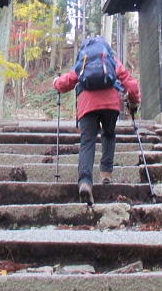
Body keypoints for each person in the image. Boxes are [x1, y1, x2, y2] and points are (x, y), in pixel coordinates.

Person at [53, 36, 140, 205]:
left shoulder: (84, 60)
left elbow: (68, 81)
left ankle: (85, 182)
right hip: (110, 105)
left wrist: (56, 83)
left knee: (87, 142)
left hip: (87, 105)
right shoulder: (111, 60)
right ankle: (106, 173)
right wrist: (134, 102)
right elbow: (131, 84)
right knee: (109, 135)